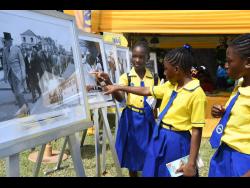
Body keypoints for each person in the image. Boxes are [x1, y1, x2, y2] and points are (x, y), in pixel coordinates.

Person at [104, 44, 206, 177]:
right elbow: (147, 90)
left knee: (173, 173)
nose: (164, 73)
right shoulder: (170, 86)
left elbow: (197, 130)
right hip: (160, 135)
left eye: (166, 69)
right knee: (153, 171)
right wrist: (119, 87)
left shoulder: (197, 94)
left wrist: (191, 163)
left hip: (177, 140)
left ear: (176, 69)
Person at [94, 41, 159, 177]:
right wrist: (109, 82)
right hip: (131, 119)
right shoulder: (126, 77)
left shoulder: (154, 78)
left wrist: (155, 111)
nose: (137, 60)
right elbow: (119, 98)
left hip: (148, 121)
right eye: (134, 56)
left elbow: (157, 100)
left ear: (147, 58)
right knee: (132, 153)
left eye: (141, 57)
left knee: (150, 152)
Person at [209, 34, 250, 177]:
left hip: (242, 161)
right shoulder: (240, 84)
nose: (226, 65)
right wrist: (222, 112)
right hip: (224, 153)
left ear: (248, 63)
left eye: (229, 61)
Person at [2, 32, 29, 115]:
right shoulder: (4, 51)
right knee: (16, 95)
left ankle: (26, 111)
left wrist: (23, 73)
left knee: (19, 94)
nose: (6, 42)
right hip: (10, 76)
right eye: (5, 41)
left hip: (18, 75)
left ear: (10, 41)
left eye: (7, 41)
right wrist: (5, 76)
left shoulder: (17, 49)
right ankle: (23, 110)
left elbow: (22, 63)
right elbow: (5, 64)